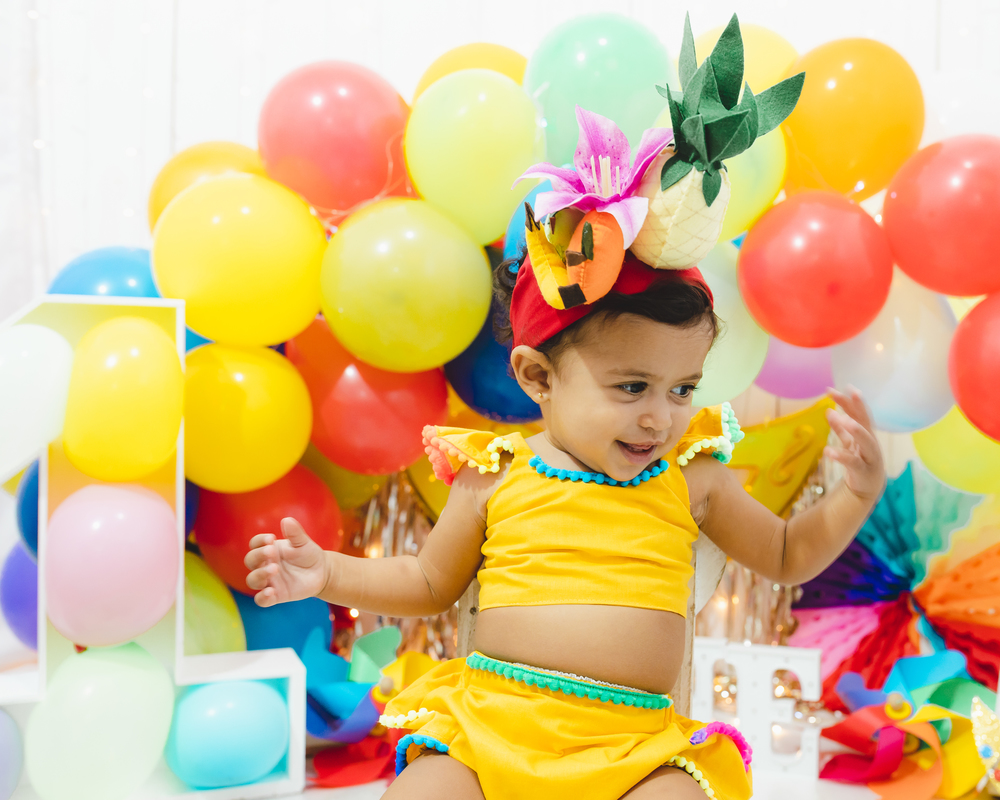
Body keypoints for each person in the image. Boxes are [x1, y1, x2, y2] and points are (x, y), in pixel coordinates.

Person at [245, 41, 882, 796]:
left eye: (683, 389)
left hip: (631, 751)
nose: (660, 418)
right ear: (537, 377)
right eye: (632, 387)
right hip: (490, 729)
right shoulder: (495, 477)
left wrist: (855, 494)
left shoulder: (693, 480)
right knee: (425, 788)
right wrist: (328, 573)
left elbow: (785, 553)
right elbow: (426, 579)